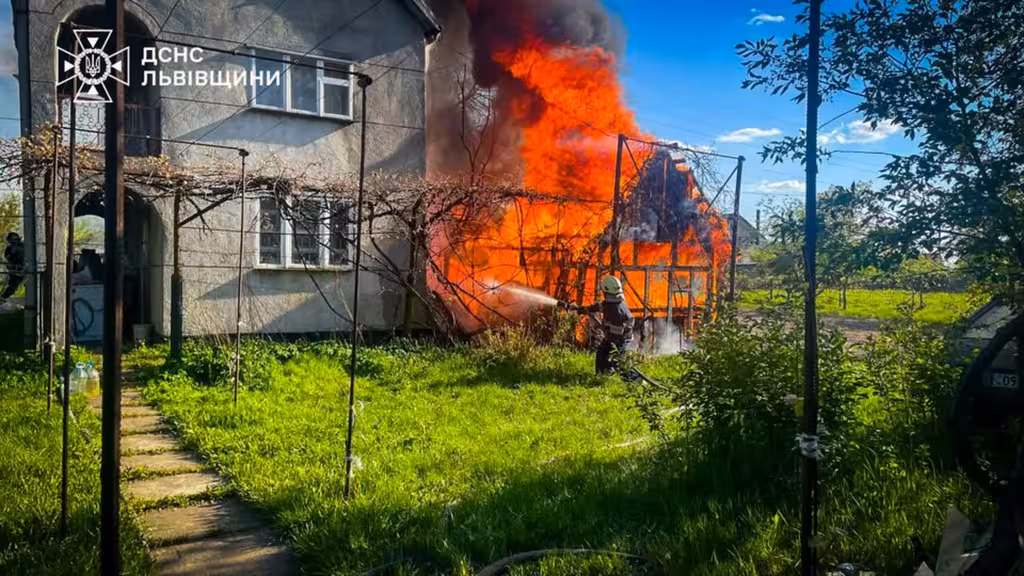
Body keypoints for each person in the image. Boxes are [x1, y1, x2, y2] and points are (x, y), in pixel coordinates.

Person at [561, 275, 634, 375]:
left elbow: (616, 334)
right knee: (601, 354)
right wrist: (579, 309)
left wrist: (612, 359)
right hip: (611, 338)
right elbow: (597, 307)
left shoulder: (618, 311)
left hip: (621, 340)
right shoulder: (610, 303)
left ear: (607, 292)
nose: (603, 294)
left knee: (621, 365)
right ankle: (602, 376)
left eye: (604, 292)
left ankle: (636, 380)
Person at [0, 231, 25, 304]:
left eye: (15, 239)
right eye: (12, 240)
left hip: (23, 269)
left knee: (13, 285)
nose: (14, 241)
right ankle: (3, 297)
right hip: (16, 270)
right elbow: (8, 258)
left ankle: (3, 297)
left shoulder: (23, 246)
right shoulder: (10, 248)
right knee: (12, 286)